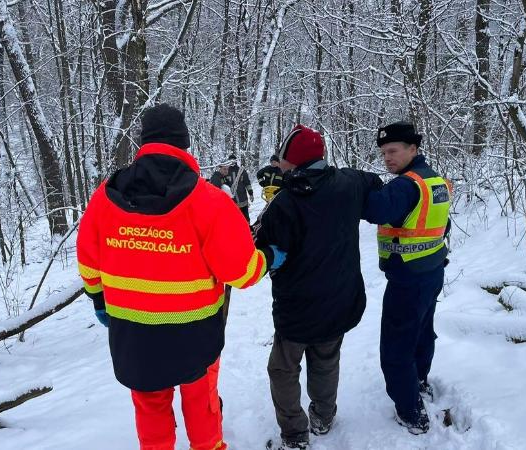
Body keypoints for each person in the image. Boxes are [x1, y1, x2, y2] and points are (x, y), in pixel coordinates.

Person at [76, 104, 285, 450]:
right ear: (184, 144)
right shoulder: (210, 202)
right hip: (195, 335)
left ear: (144, 143)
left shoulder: (105, 198)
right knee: (201, 404)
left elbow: (88, 260)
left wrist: (99, 300)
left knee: (150, 408)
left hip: (133, 335)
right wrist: (268, 259)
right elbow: (240, 271)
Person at [254, 124, 381, 450]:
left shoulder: (285, 204)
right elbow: (374, 184)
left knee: (282, 369)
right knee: (326, 359)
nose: (278, 165)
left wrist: (269, 208)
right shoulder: (349, 183)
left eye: (282, 160)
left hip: (298, 308)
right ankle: (323, 416)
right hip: (340, 301)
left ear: (292, 163)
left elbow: (262, 248)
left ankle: (295, 434)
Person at [362, 121, 451, 435]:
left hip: (407, 277)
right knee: (422, 332)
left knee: (396, 345)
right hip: (432, 270)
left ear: (413, 149)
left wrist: (362, 184)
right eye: (384, 152)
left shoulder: (404, 185)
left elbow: (374, 210)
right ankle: (419, 382)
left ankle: (410, 411)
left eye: (394, 150)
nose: (387, 157)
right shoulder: (436, 181)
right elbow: (442, 224)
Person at [209, 154, 254, 223]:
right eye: (231, 161)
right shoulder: (221, 175)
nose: (226, 170)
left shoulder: (241, 171)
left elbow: (247, 183)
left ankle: (248, 230)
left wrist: (250, 193)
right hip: (232, 203)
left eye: (234, 161)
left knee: (245, 218)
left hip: (243, 200)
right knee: (235, 220)